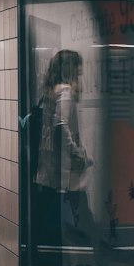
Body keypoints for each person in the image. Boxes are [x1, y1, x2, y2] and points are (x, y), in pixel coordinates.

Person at [33, 49, 92, 255]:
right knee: (81, 212)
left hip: (49, 167)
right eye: (78, 67)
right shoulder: (65, 93)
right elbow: (61, 125)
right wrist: (77, 152)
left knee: (49, 212)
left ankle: (44, 250)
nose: (81, 71)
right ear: (69, 69)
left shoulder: (49, 94)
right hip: (64, 169)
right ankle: (93, 251)